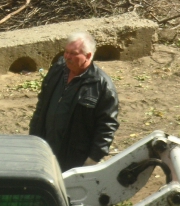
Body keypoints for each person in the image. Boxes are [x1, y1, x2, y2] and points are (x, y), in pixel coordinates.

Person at [29, 32, 119, 171]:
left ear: (88, 55)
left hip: (73, 160)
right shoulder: (58, 70)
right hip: (45, 150)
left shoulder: (102, 86)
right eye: (66, 52)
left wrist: (91, 161)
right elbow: (42, 105)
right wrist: (33, 139)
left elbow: (107, 127)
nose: (67, 57)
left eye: (73, 53)